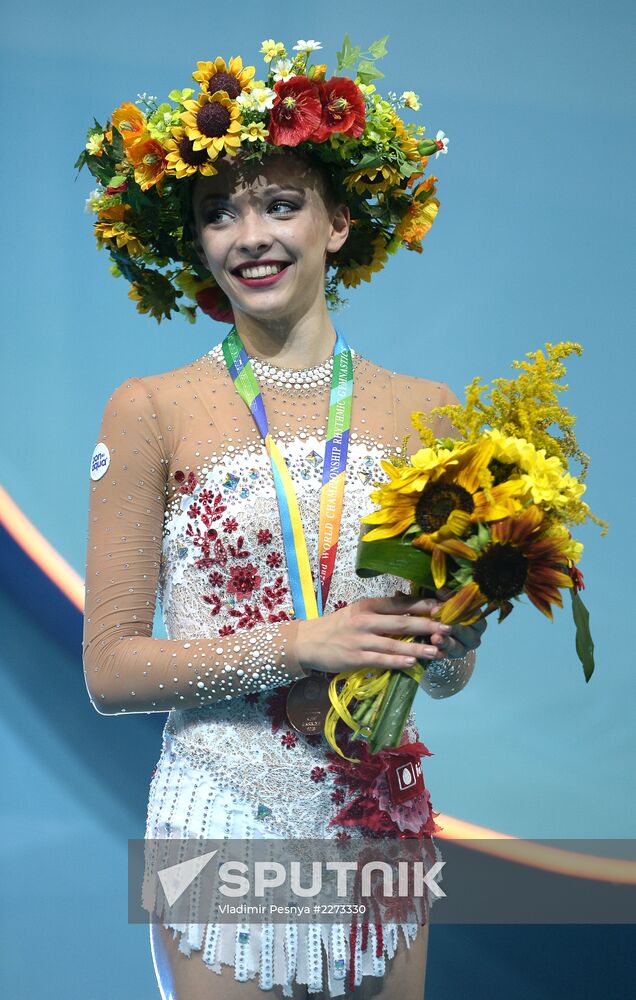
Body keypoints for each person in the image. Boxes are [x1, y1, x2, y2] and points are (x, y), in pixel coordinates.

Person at [81, 39, 486, 1000]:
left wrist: (456, 637)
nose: (247, 234)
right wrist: (305, 643)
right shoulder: (151, 408)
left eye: (280, 203)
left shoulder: (428, 410)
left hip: (379, 818)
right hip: (219, 811)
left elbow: (454, 672)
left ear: (340, 222)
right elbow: (109, 668)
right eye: (218, 211)